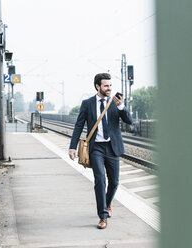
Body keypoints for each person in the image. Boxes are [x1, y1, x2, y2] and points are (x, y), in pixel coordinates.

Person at [69, 73, 133, 229]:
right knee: (100, 181)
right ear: (98, 86)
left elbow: (129, 121)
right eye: (106, 86)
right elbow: (79, 125)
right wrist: (72, 147)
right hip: (96, 147)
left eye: (110, 85)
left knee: (115, 182)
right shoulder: (87, 104)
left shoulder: (115, 102)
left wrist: (121, 107)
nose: (109, 88)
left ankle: (107, 203)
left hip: (112, 148)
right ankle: (103, 216)